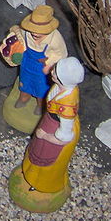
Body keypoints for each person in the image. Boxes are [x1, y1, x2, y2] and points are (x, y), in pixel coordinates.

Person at [20, 57, 84, 194]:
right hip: (49, 122)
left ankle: (40, 184)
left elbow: (64, 137)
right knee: (36, 150)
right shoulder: (61, 88)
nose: (52, 72)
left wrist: (45, 136)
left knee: (45, 158)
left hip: (55, 131)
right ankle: (30, 173)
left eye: (56, 72)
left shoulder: (66, 106)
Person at [13, 5, 68, 115]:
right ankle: (24, 98)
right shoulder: (26, 32)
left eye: (40, 31)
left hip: (42, 69)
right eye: (33, 29)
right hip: (27, 63)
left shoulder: (55, 39)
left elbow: (61, 54)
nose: (34, 33)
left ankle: (40, 105)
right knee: (25, 82)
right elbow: (16, 32)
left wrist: (49, 62)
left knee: (41, 89)